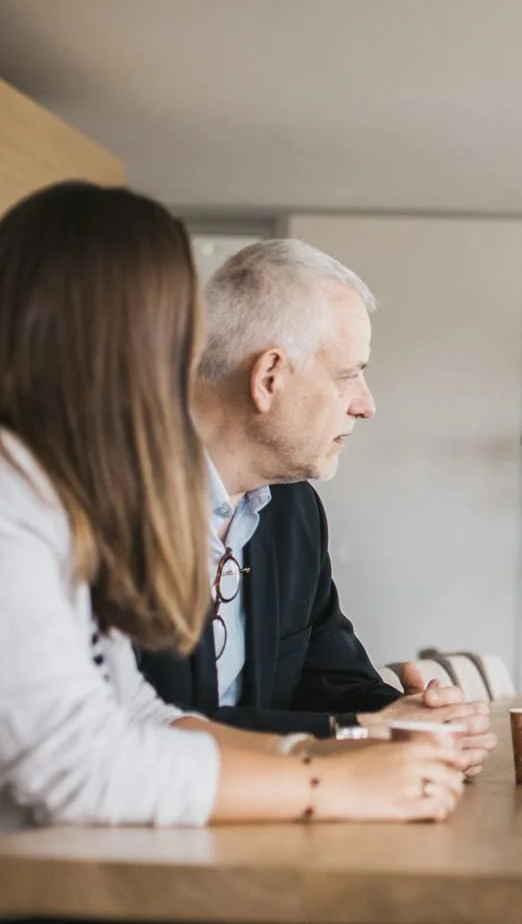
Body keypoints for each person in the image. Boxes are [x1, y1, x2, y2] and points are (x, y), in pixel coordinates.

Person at [0, 181, 465, 831]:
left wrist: (330, 752)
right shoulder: (18, 499)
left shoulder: (55, 490)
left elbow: (137, 714)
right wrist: (321, 781)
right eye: (172, 334)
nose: (186, 365)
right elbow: (76, 761)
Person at [137, 240, 496, 773]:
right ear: (269, 378)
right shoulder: (114, 508)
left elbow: (329, 678)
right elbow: (151, 727)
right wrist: (350, 734)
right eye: (349, 374)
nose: (367, 405)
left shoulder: (294, 512)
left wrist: (407, 722)